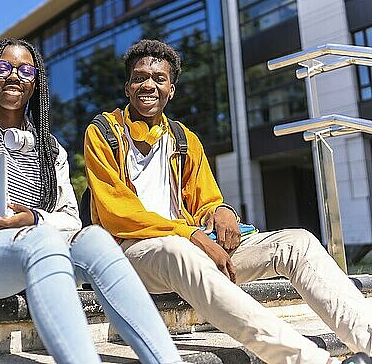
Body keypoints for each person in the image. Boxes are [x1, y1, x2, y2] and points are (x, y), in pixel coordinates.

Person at [0, 38, 185, 364]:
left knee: (95, 240)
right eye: (3, 67)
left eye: (25, 70)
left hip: (29, 249)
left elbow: (71, 219)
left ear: (35, 83)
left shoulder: (50, 149)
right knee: (42, 240)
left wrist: (32, 219)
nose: (14, 76)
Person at [83, 39, 372, 364]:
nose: (148, 85)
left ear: (171, 90)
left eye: (158, 78)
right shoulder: (103, 132)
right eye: (139, 78)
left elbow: (206, 202)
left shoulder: (184, 139)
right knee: (177, 250)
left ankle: (368, 341)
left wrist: (222, 212)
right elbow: (116, 212)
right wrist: (190, 234)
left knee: (297, 243)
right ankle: (311, 361)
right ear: (127, 87)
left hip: (192, 248)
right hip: (134, 252)